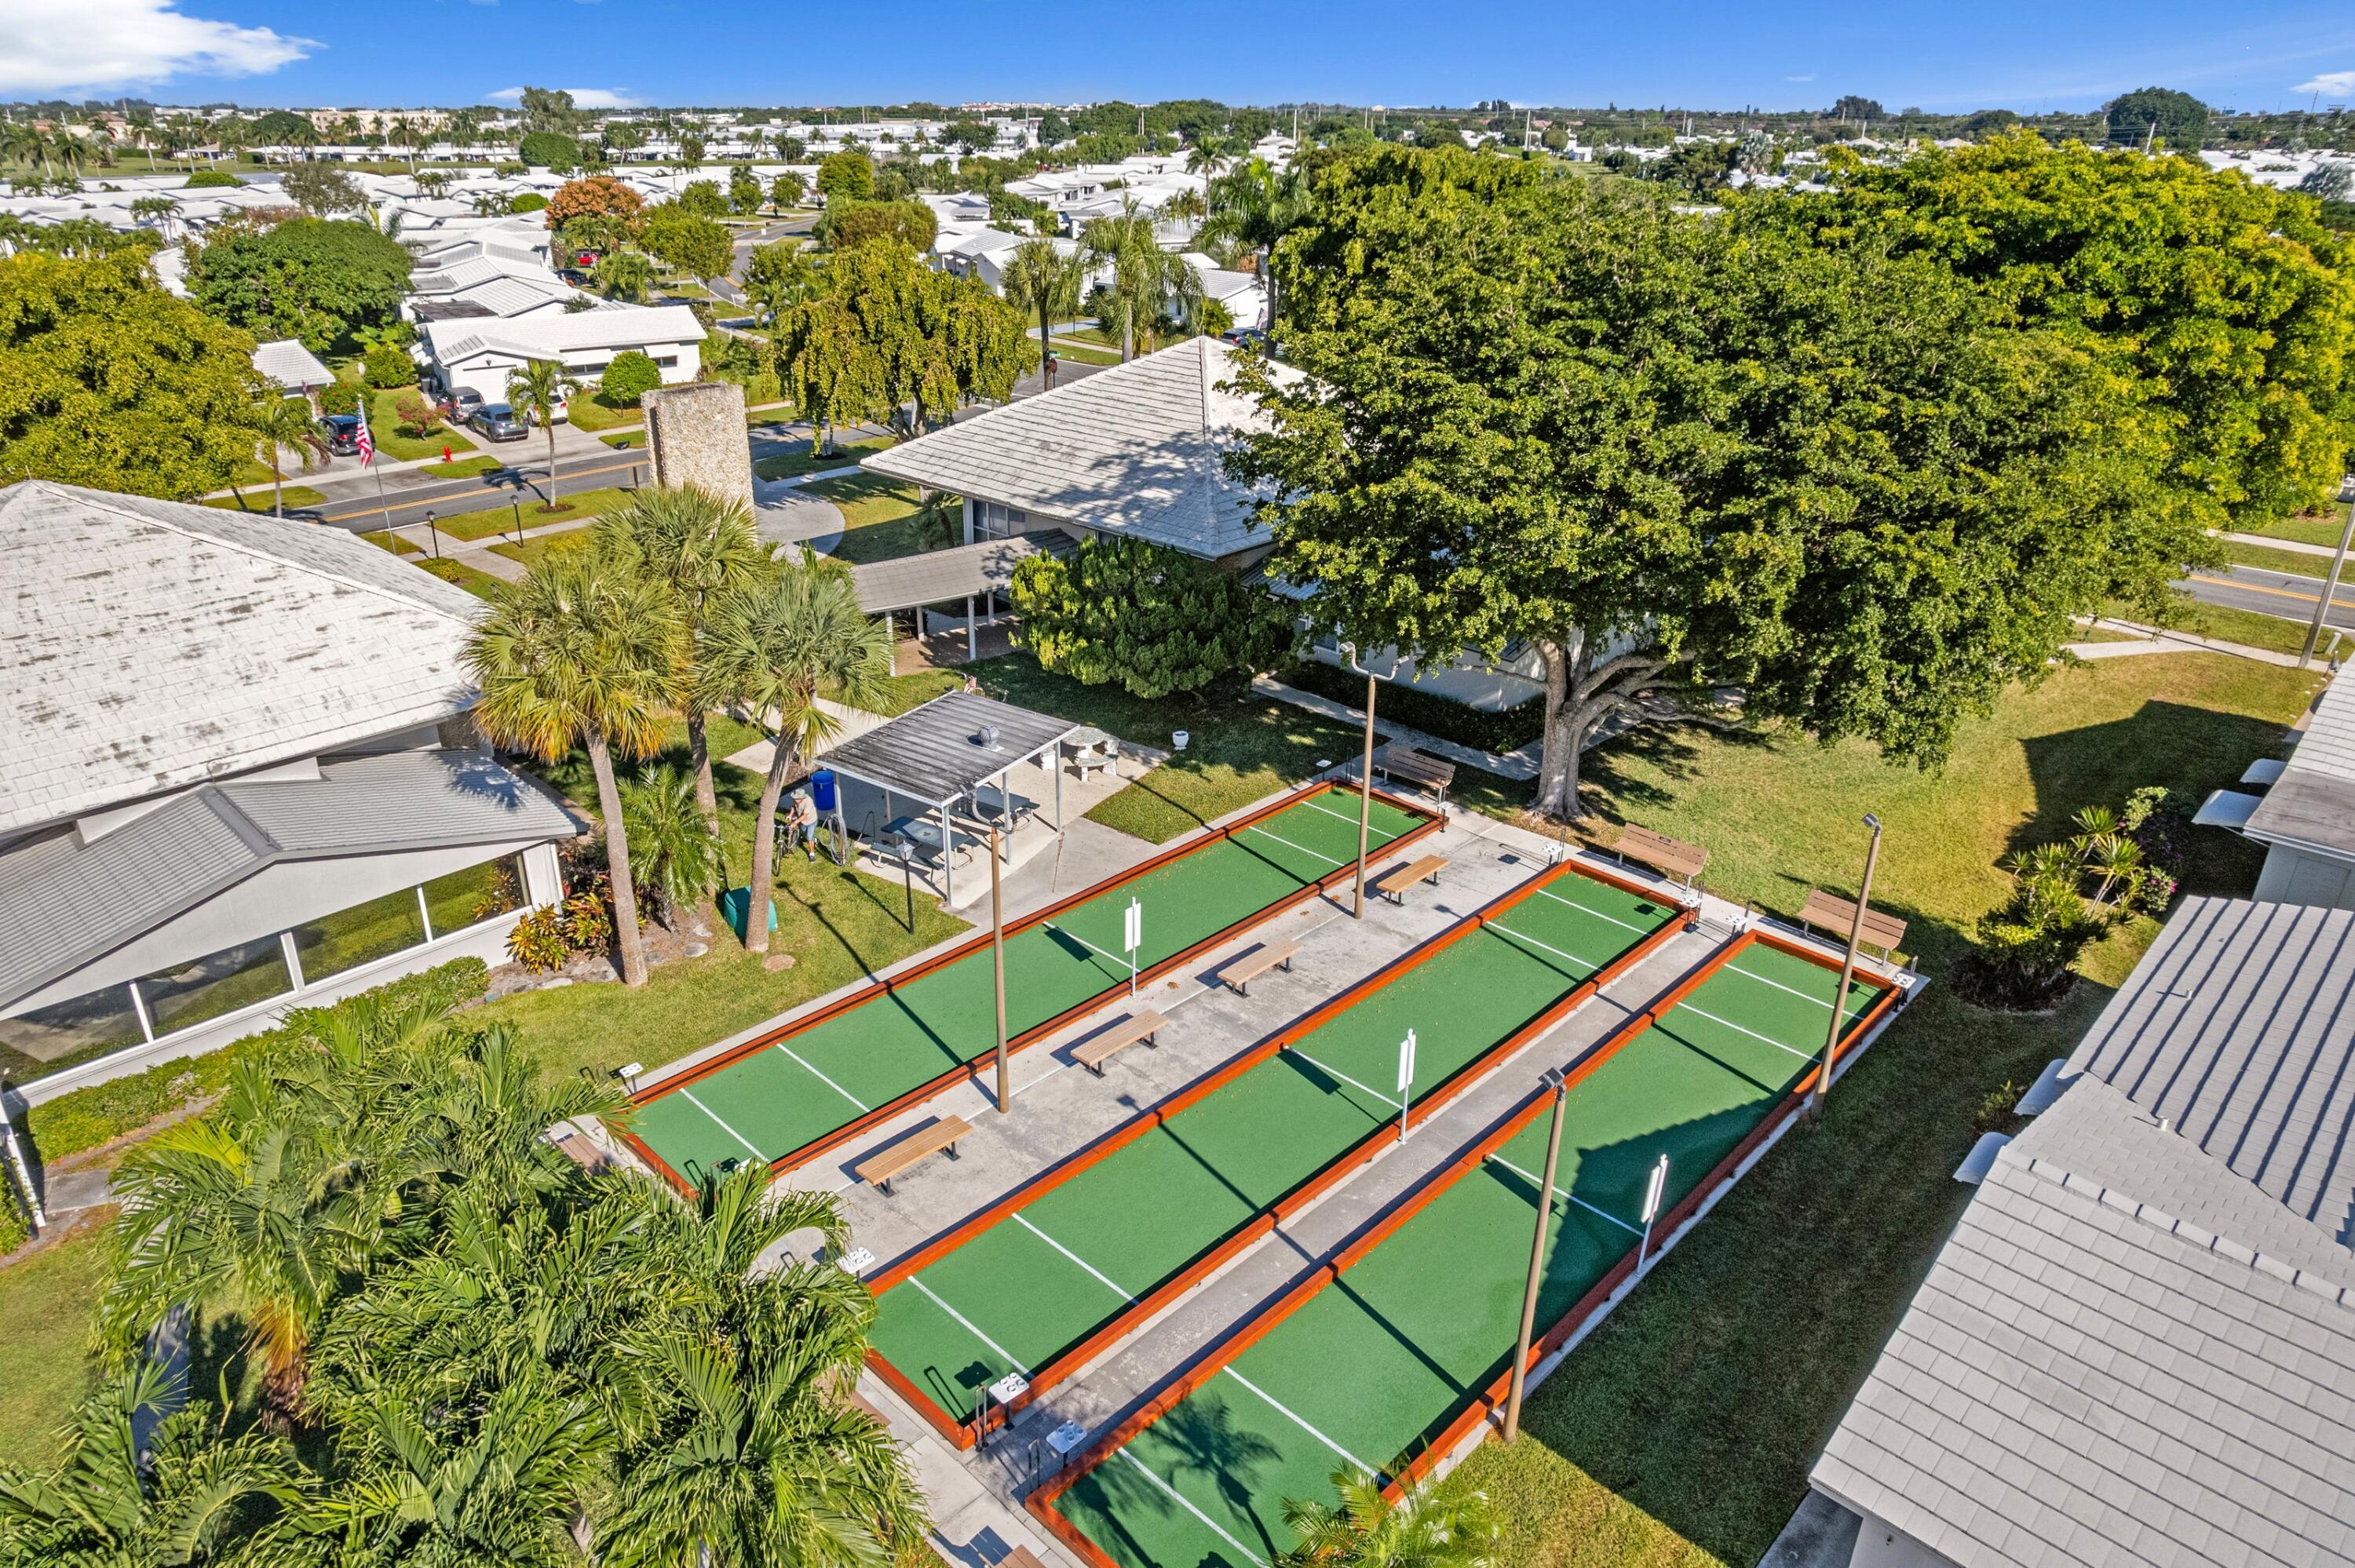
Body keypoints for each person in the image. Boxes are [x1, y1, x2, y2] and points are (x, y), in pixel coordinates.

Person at [787, 787, 818, 863]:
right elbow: (793, 807)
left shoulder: (808, 802)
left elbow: (805, 815)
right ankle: (815, 840)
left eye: (797, 799)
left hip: (811, 821)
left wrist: (795, 822)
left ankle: (812, 853)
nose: (795, 800)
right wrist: (790, 815)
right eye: (795, 799)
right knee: (804, 833)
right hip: (802, 822)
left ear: (802, 798)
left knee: (809, 837)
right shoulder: (796, 801)